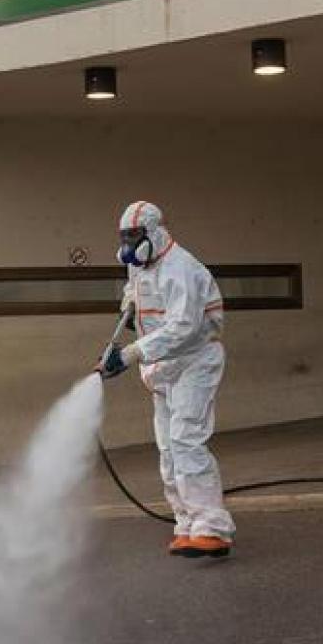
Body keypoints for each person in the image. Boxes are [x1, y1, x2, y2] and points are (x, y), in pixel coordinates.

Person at [96, 200, 235, 558]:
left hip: (194, 359)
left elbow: (184, 327)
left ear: (154, 232)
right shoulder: (141, 264)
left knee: (186, 439)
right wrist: (129, 310)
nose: (128, 246)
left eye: (134, 237)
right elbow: (136, 294)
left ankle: (213, 528)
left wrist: (130, 354)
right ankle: (187, 523)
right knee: (168, 448)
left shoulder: (180, 268)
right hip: (162, 366)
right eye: (124, 237)